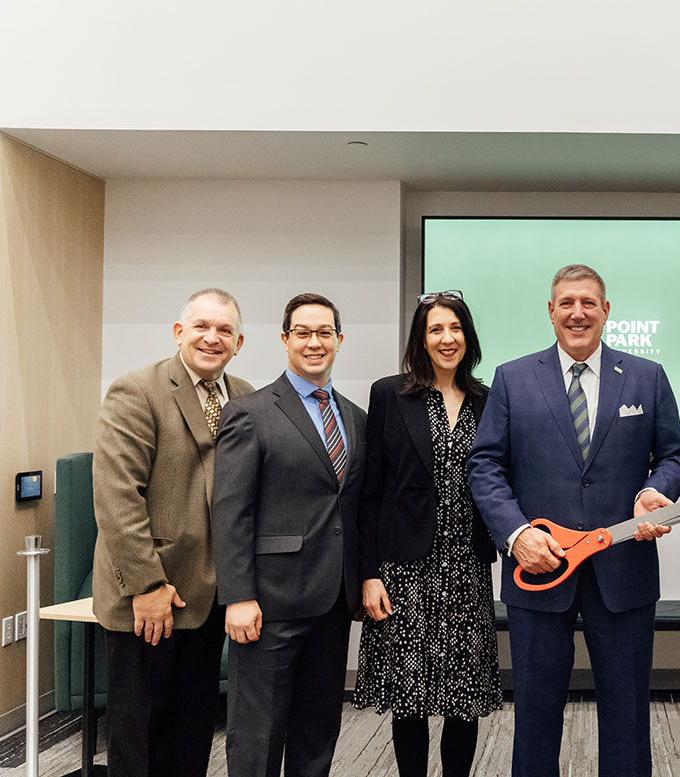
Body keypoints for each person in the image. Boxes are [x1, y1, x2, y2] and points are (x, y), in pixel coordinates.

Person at [467, 264, 680, 777]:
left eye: (588, 302)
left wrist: (655, 491)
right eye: (566, 302)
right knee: (536, 712)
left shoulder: (646, 376)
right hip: (539, 569)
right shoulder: (512, 377)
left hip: (624, 569)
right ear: (550, 312)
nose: (577, 312)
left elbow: (676, 456)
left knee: (628, 710)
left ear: (606, 311)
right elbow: (485, 465)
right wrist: (517, 534)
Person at [92, 288, 252, 777]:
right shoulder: (137, 390)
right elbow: (118, 497)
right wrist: (146, 586)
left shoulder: (245, 396)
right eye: (201, 326)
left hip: (207, 595)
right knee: (139, 734)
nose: (212, 337)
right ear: (179, 333)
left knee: (191, 731)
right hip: (148, 597)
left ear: (239, 342)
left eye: (224, 330)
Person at [213, 292, 367, 777]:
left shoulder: (355, 417)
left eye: (325, 333)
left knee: (317, 732)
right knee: (257, 734)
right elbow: (230, 509)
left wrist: (362, 579)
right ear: (285, 340)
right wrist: (237, 596)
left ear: (339, 341)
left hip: (332, 601)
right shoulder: (250, 412)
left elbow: (354, 510)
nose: (314, 342)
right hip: (270, 604)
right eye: (303, 333)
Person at [353, 290, 501, 777]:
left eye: (455, 328)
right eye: (435, 329)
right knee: (409, 697)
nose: (446, 338)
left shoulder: (488, 399)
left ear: (468, 336)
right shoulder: (390, 394)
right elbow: (370, 491)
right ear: (420, 337)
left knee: (464, 697)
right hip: (404, 570)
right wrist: (370, 574)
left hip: (467, 566)